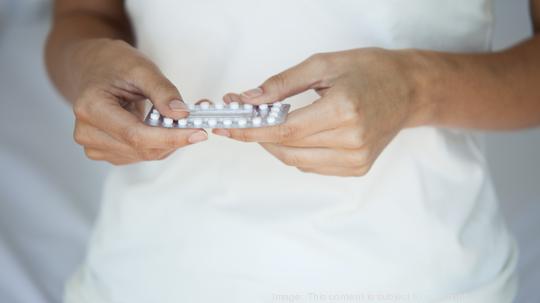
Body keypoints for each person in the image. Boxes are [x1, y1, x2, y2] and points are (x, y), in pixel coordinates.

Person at [46, 0, 540, 302]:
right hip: (147, 276)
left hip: (416, 280)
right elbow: (83, 14)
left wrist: (416, 88)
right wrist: (83, 63)